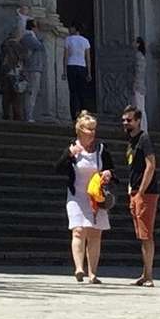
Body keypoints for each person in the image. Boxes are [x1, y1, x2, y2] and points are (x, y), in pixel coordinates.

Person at [60, 111, 112, 283]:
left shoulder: (101, 149)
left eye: (94, 129)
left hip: (95, 197)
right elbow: (57, 168)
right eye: (89, 129)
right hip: (76, 196)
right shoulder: (72, 148)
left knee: (95, 234)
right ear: (80, 130)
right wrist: (68, 155)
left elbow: (113, 170)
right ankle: (79, 268)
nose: (92, 133)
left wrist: (108, 173)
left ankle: (93, 273)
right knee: (78, 230)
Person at [120, 104, 158, 286]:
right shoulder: (131, 141)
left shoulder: (144, 139)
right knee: (141, 234)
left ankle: (149, 275)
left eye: (129, 120)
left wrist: (142, 191)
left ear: (137, 121)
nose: (125, 123)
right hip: (134, 191)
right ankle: (145, 273)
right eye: (124, 120)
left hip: (146, 193)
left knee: (146, 234)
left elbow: (151, 165)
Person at [0, 28, 28, 120]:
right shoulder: (18, 46)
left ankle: (6, 115)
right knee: (16, 98)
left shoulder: (4, 46)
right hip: (15, 73)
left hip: (5, 73)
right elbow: (23, 59)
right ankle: (17, 117)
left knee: (6, 97)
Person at [65, 26, 94, 120]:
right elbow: (88, 58)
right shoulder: (85, 41)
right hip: (82, 66)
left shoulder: (68, 39)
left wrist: (64, 70)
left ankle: (73, 115)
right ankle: (83, 114)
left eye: (71, 28)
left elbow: (65, 56)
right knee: (82, 92)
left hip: (71, 65)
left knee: (73, 92)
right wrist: (89, 72)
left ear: (75, 29)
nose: (69, 29)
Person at [21, 19, 47, 122]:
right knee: (31, 93)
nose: (38, 29)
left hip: (34, 67)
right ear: (33, 27)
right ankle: (29, 116)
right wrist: (40, 38)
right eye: (36, 27)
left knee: (33, 93)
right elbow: (40, 46)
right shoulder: (29, 37)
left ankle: (29, 115)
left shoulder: (31, 37)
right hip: (32, 68)